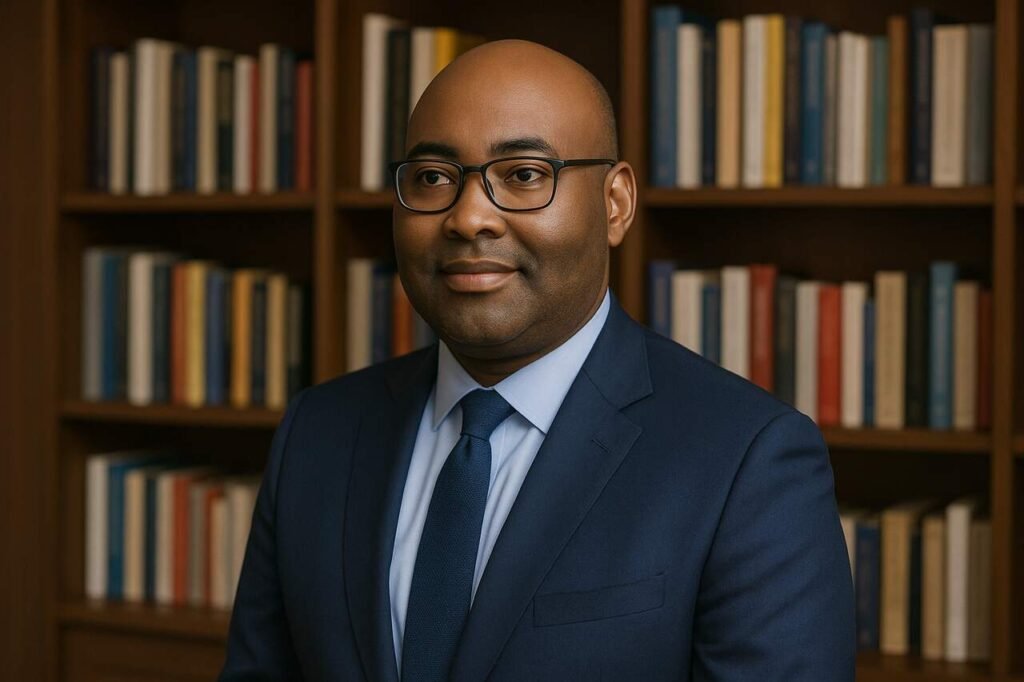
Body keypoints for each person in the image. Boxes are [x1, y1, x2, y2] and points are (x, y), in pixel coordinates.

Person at [220, 39, 855, 682]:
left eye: (524, 175)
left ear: (615, 204)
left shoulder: (749, 459)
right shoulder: (318, 431)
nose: (469, 217)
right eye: (434, 178)